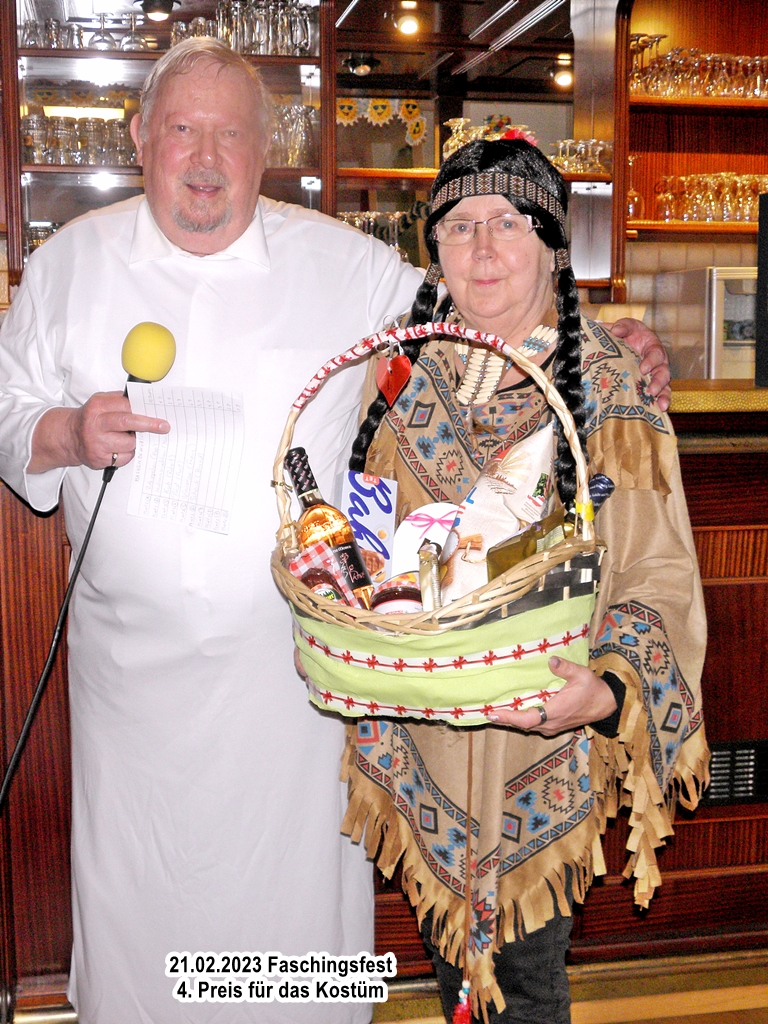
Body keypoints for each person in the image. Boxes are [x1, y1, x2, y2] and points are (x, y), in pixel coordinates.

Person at [0, 39, 669, 1024]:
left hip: (294, 688)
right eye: (182, 129)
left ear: (265, 150)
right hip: (131, 695)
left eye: (231, 134)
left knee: (294, 922)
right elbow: (8, 406)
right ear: (140, 137)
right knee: (143, 920)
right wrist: (63, 431)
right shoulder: (69, 263)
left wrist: (611, 338)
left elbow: (481, 314)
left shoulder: (340, 261)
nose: (205, 157)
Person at [342, 137, 709, 1024]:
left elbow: (658, 566)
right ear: (434, 251)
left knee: (526, 988)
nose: (482, 248)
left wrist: (607, 691)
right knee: (456, 982)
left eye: (507, 222)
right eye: (459, 226)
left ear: (551, 245)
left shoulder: (607, 385)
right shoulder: (401, 376)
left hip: (544, 741)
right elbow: (369, 530)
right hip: (422, 731)